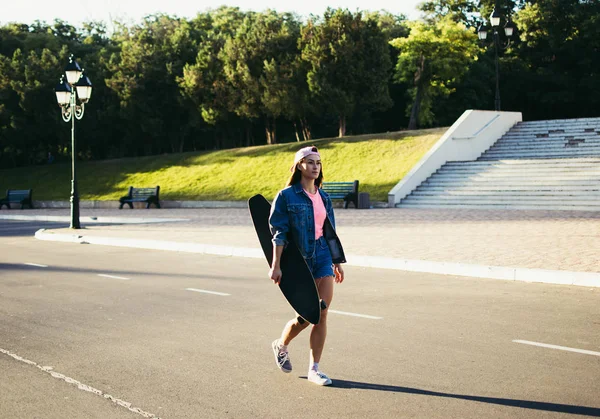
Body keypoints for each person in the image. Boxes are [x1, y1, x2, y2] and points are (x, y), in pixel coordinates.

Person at [268, 145, 346, 386]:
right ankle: (281, 344)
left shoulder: (323, 196)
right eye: (310, 162)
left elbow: (329, 232)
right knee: (306, 316)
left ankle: (314, 368)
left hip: (322, 254)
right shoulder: (286, 196)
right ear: (299, 165)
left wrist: (336, 261)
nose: (315, 167)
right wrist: (276, 264)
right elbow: (278, 232)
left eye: (318, 163)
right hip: (299, 260)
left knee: (322, 312)